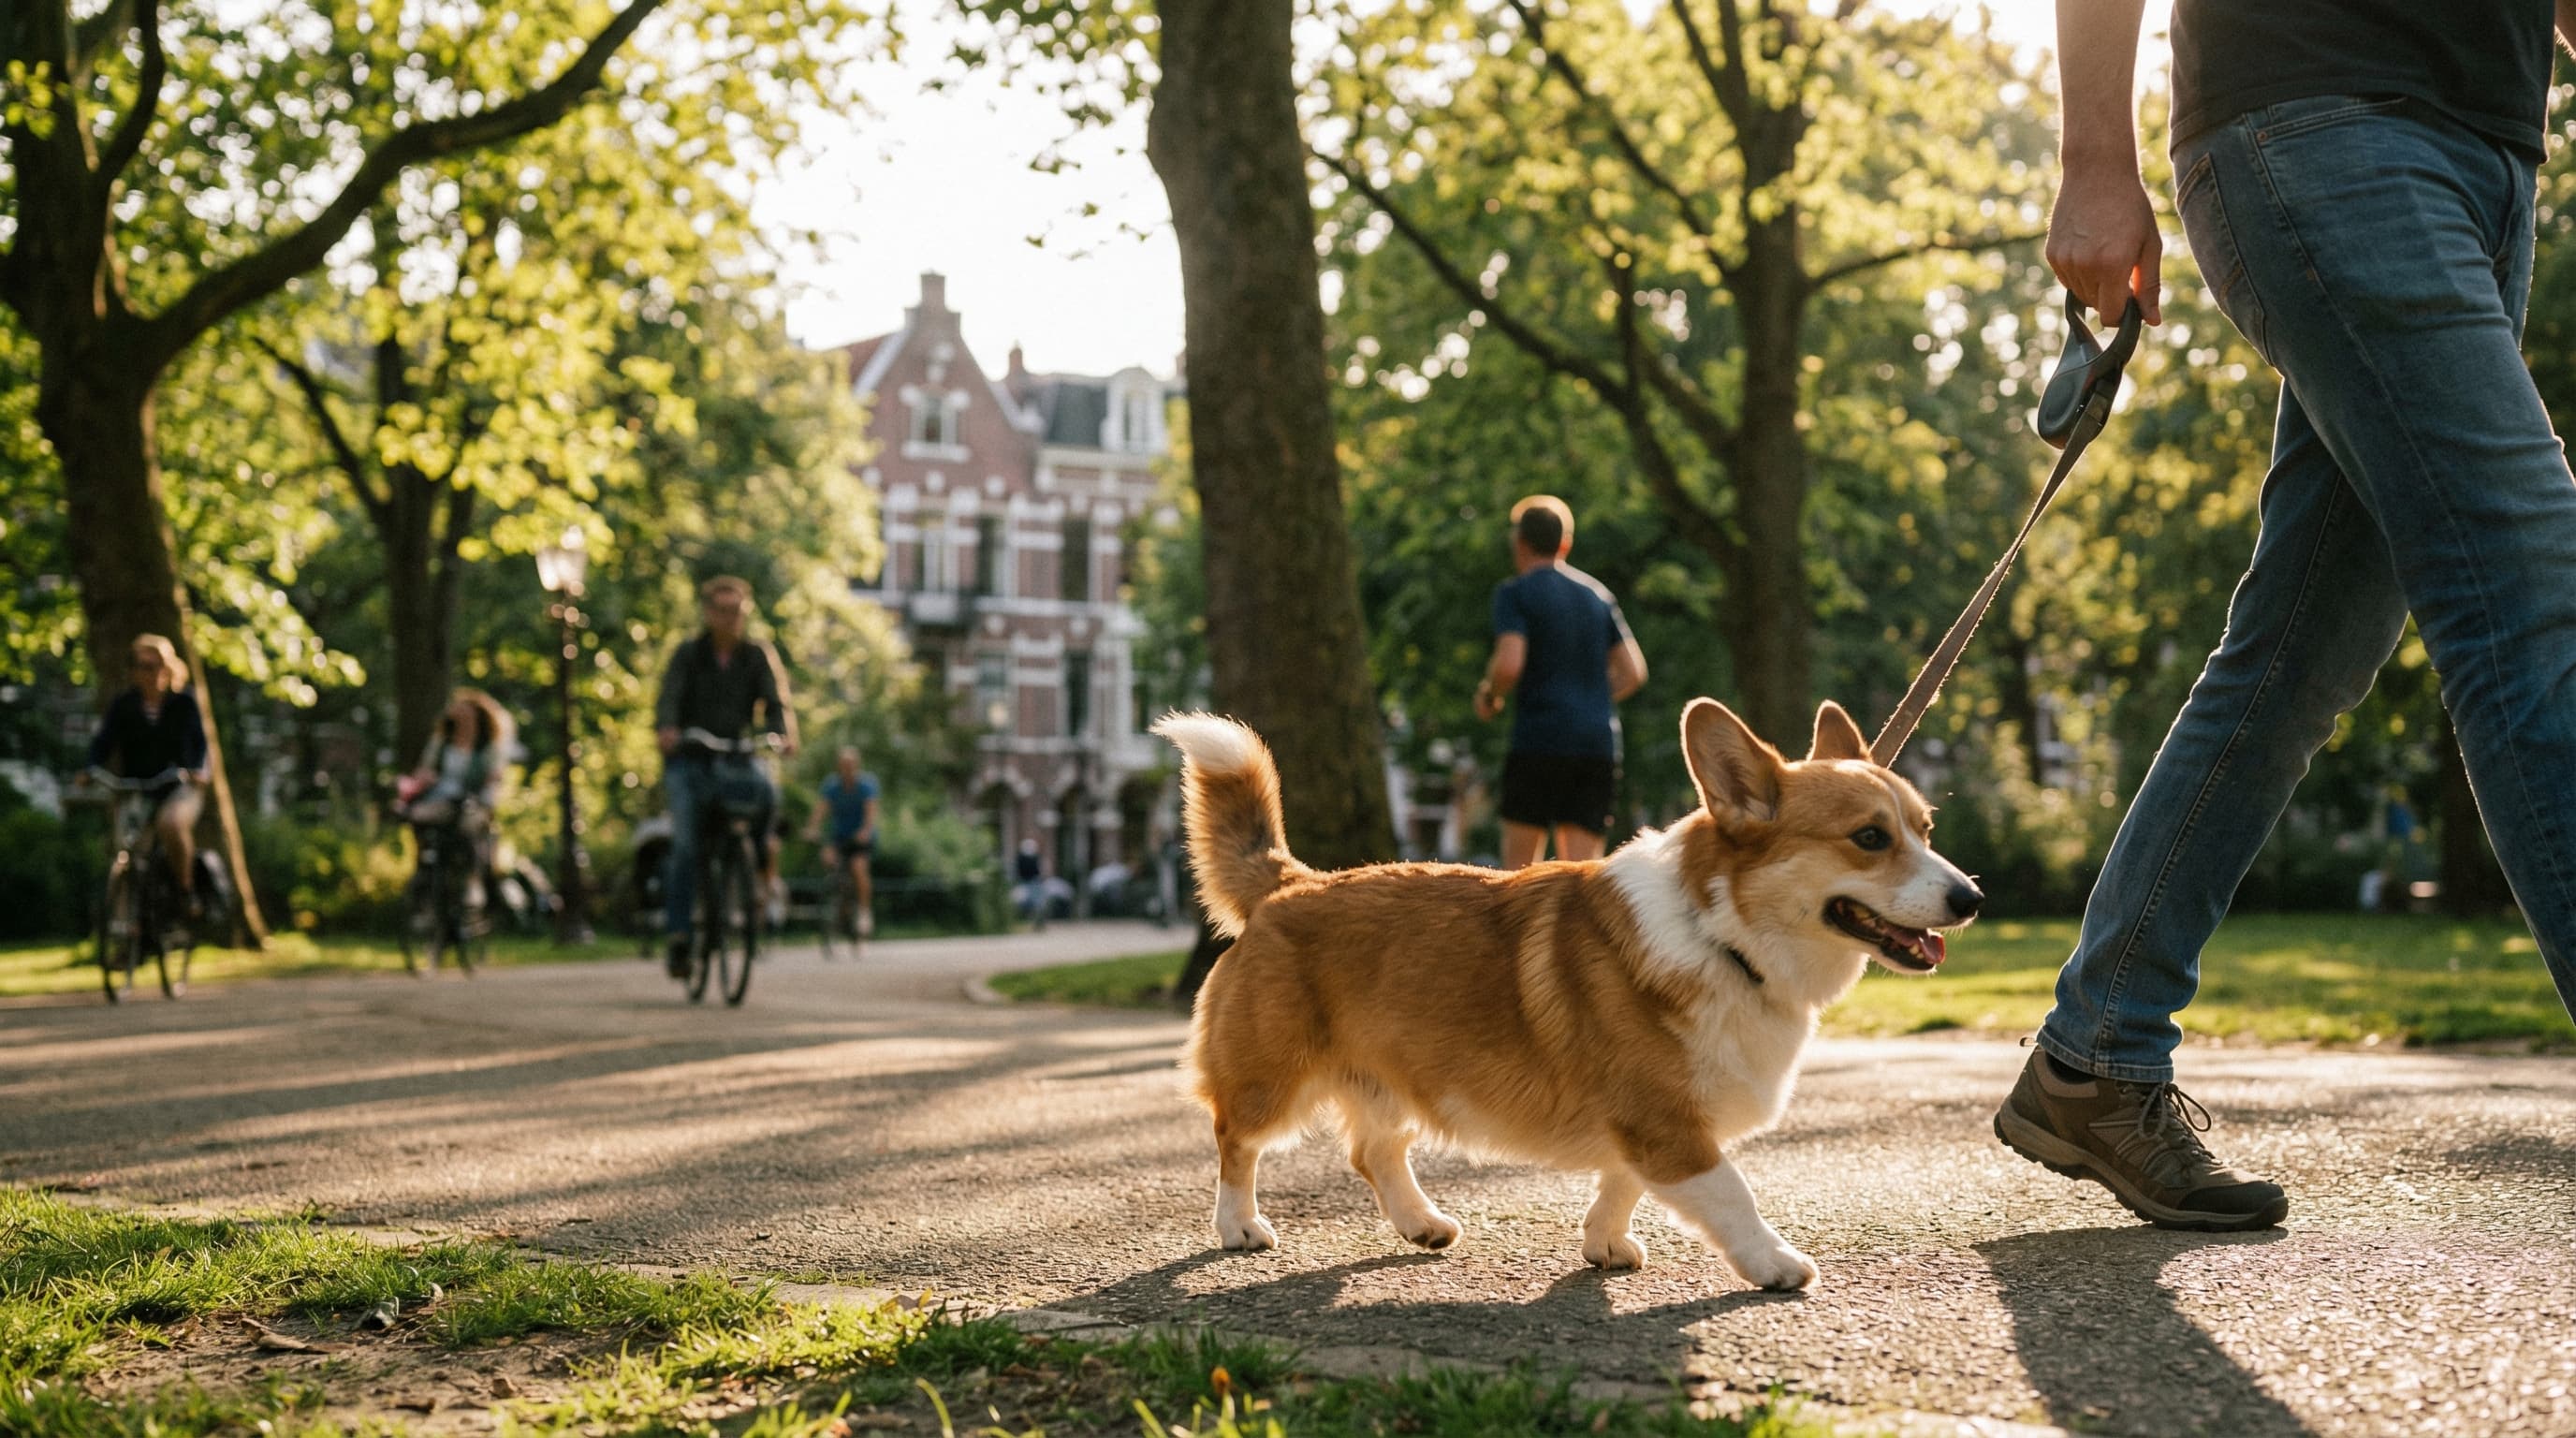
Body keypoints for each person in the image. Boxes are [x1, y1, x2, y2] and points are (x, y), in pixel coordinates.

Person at [1999, 0, 2576, 1232]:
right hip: (2315, 116)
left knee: (2306, 646)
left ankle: (2097, 1054)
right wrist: (2096, 163)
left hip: (2490, 154)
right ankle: (2102, 1047)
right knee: (2534, 595)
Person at [1472, 495, 1647, 869]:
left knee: (1518, 877)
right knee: (1581, 877)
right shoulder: (1599, 597)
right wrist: (1595, 698)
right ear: (1565, 544)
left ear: (1520, 543)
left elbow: (1508, 664)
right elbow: (1633, 671)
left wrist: (1490, 695)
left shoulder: (1515, 593)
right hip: (1596, 745)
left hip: (1538, 741)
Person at [654, 577, 798, 976]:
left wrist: (781, 734)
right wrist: (668, 729)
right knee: (685, 845)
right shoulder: (689, 654)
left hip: (736, 754)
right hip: (692, 757)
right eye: (722, 610)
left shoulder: (756, 655)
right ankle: (680, 937)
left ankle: (751, 864)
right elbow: (669, 697)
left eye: (737, 611)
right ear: (707, 612)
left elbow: (776, 703)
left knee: (767, 791)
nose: (730, 618)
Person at [82, 634, 210, 913]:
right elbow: (103, 741)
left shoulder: (184, 703)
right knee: (126, 852)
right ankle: (126, 934)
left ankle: (185, 890)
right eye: (144, 666)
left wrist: (197, 770)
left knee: (172, 825)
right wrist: (89, 768)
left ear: (168, 667)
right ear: (134, 671)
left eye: (158, 666)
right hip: (137, 787)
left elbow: (200, 742)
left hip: (179, 784)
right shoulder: (124, 704)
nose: (152, 673)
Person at [397, 689, 514, 901]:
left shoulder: (487, 750)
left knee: (466, 827)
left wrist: (488, 794)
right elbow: (424, 771)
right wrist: (423, 781)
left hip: (470, 804)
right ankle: (426, 874)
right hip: (439, 800)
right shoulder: (442, 743)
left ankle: (470, 880)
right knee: (420, 818)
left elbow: (493, 782)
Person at [805, 745, 880, 938]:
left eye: (850, 765)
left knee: (858, 867)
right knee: (829, 858)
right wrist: (812, 828)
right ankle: (840, 900)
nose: (847, 768)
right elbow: (820, 810)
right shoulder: (832, 786)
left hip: (861, 837)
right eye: (843, 765)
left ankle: (864, 912)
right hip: (839, 836)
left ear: (857, 765)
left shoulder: (866, 785)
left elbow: (871, 813)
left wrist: (865, 831)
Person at [1013, 838, 1047, 930]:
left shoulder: (1024, 857)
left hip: (1033, 882)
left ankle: (1037, 923)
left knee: (1037, 904)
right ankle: (1034, 923)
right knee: (1033, 904)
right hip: (1027, 882)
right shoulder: (1026, 857)